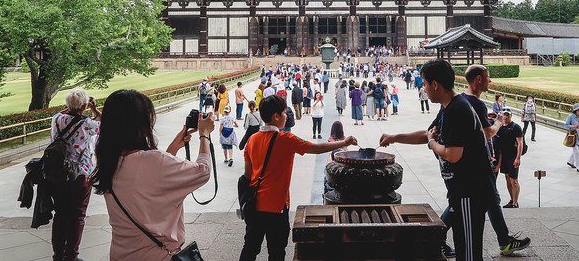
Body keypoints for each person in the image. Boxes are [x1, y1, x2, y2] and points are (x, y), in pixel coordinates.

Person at [379, 60, 518, 260]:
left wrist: (432, 143)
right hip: (461, 191)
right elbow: (429, 133)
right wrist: (395, 137)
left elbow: (453, 154)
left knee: (469, 254)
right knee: (464, 250)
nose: (424, 88)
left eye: (425, 84)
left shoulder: (457, 109)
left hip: (470, 190)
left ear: (435, 84)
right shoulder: (449, 106)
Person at [90, 89, 214, 261]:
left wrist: (172, 149)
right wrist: (204, 135)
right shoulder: (154, 161)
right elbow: (203, 171)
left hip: (121, 254)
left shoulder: (107, 161)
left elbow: (146, 180)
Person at [239, 95, 357, 261]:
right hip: (276, 206)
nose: (287, 115)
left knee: (250, 248)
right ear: (276, 116)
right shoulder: (285, 139)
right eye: (284, 112)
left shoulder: (252, 139)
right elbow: (317, 148)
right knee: (276, 252)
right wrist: (344, 142)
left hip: (255, 205)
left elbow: (247, 174)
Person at [457, 64, 530, 257]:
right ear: (478, 79)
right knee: (465, 203)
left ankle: (505, 241)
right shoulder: (477, 103)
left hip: (473, 162)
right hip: (479, 164)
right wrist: (497, 121)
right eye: (487, 77)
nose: (490, 81)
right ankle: (437, 235)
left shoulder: (462, 99)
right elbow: (487, 133)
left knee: (490, 200)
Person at [47, 88, 101, 261]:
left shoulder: (57, 119)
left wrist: (73, 105)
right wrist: (93, 109)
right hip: (80, 176)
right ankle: (72, 255)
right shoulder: (87, 124)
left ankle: (58, 255)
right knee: (77, 215)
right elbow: (105, 124)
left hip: (57, 174)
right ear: (84, 106)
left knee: (61, 215)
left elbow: (62, 112)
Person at [495, 110, 524, 208]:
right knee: (507, 179)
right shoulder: (499, 127)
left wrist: (518, 158)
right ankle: (512, 200)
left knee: (514, 180)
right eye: (504, 115)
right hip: (503, 157)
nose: (505, 117)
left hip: (513, 157)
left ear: (511, 116)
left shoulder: (515, 127)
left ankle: (515, 203)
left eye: (507, 115)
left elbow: (520, 143)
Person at [564, 103, 579, 173]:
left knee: (577, 150)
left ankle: (570, 161)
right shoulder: (570, 117)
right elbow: (566, 125)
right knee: (577, 152)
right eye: (578, 110)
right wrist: (574, 126)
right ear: (575, 110)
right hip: (573, 136)